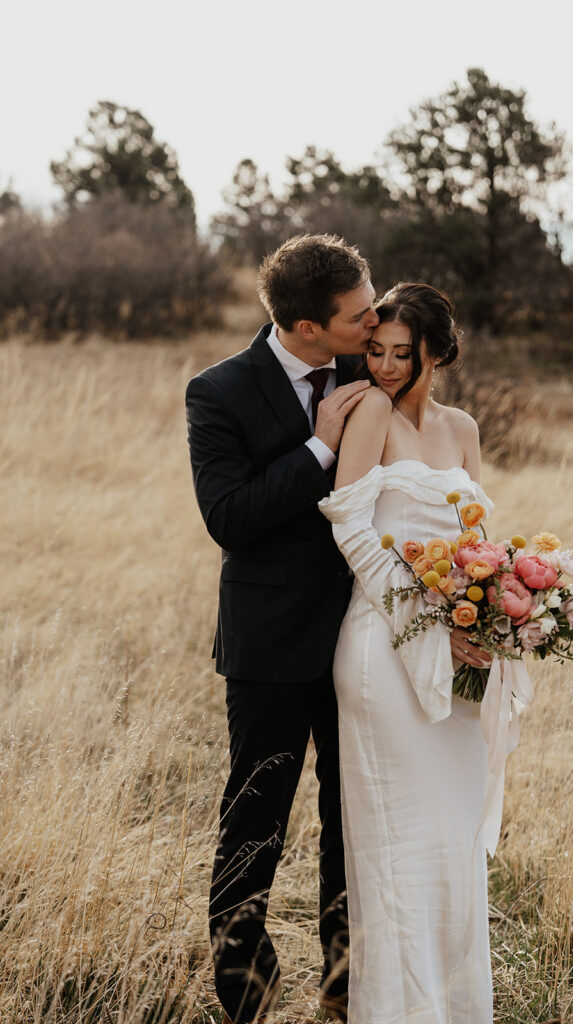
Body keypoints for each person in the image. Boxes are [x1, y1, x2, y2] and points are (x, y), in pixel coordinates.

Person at [185, 233, 378, 1023]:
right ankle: (246, 994)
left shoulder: (375, 369)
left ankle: (346, 982)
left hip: (366, 640)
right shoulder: (219, 390)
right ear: (306, 326)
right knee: (255, 816)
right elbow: (228, 518)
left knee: (353, 816)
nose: (375, 322)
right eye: (359, 314)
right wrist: (317, 446)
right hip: (269, 644)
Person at [319, 283, 500, 1023]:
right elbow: (352, 529)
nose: (386, 366)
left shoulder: (461, 428)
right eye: (375, 350)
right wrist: (426, 621)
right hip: (382, 650)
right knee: (400, 842)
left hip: (457, 648)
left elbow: (480, 540)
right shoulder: (369, 412)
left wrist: (492, 612)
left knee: (450, 841)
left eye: (403, 353)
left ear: (436, 352)